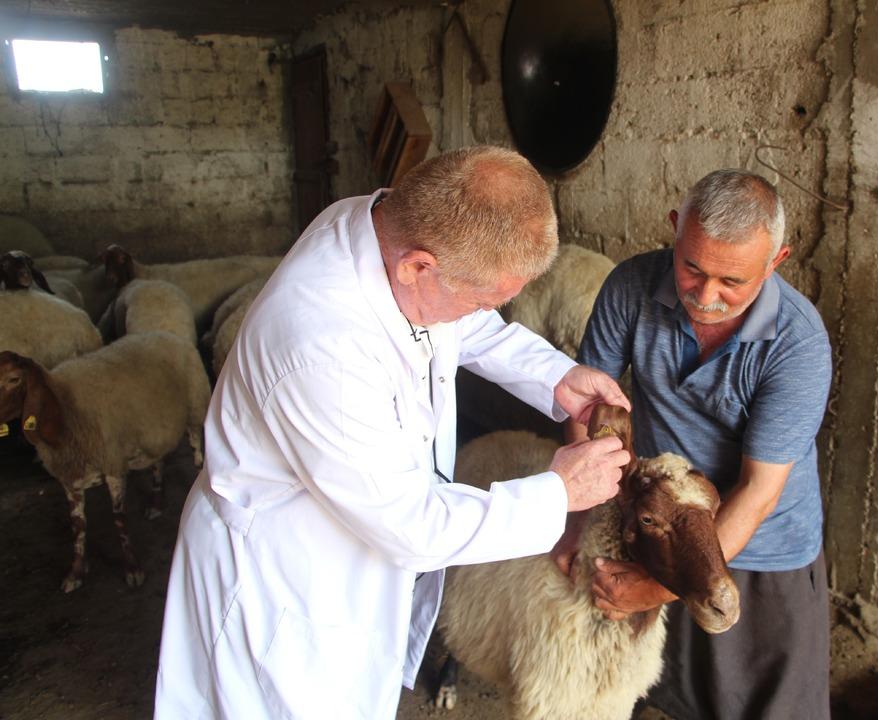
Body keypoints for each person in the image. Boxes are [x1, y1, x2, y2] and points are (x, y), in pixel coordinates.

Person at [154, 145, 632, 720]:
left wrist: (555, 375)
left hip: (349, 543)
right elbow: (412, 524)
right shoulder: (321, 350)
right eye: (480, 300)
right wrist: (556, 493)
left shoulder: (384, 228)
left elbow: (469, 325)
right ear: (417, 267)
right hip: (285, 581)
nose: (481, 312)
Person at [556, 169, 833, 719]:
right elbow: (587, 407)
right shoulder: (631, 287)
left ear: (775, 262)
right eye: (692, 269)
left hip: (760, 547)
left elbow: (758, 491)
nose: (706, 297)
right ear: (675, 230)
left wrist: (659, 588)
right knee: (663, 692)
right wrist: (576, 518)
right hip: (658, 529)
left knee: (766, 705)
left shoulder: (797, 344)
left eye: (732, 281)